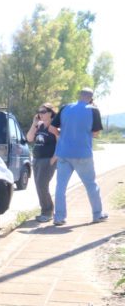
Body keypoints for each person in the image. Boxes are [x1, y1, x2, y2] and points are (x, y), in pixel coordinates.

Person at [51, 88, 106, 225]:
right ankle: (97, 214)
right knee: (91, 184)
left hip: (64, 153)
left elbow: (52, 128)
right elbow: (95, 133)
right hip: (83, 154)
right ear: (91, 98)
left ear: (79, 96)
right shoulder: (93, 110)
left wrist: (62, 135)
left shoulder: (65, 108)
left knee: (61, 186)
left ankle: (59, 217)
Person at [26, 102, 59, 222]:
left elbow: (60, 143)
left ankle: (48, 211)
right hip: (37, 159)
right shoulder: (38, 125)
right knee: (38, 186)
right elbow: (29, 138)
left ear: (50, 113)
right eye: (39, 112)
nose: (41, 114)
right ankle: (44, 211)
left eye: (43, 112)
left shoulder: (54, 127)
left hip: (48, 160)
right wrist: (34, 123)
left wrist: (54, 159)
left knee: (42, 185)